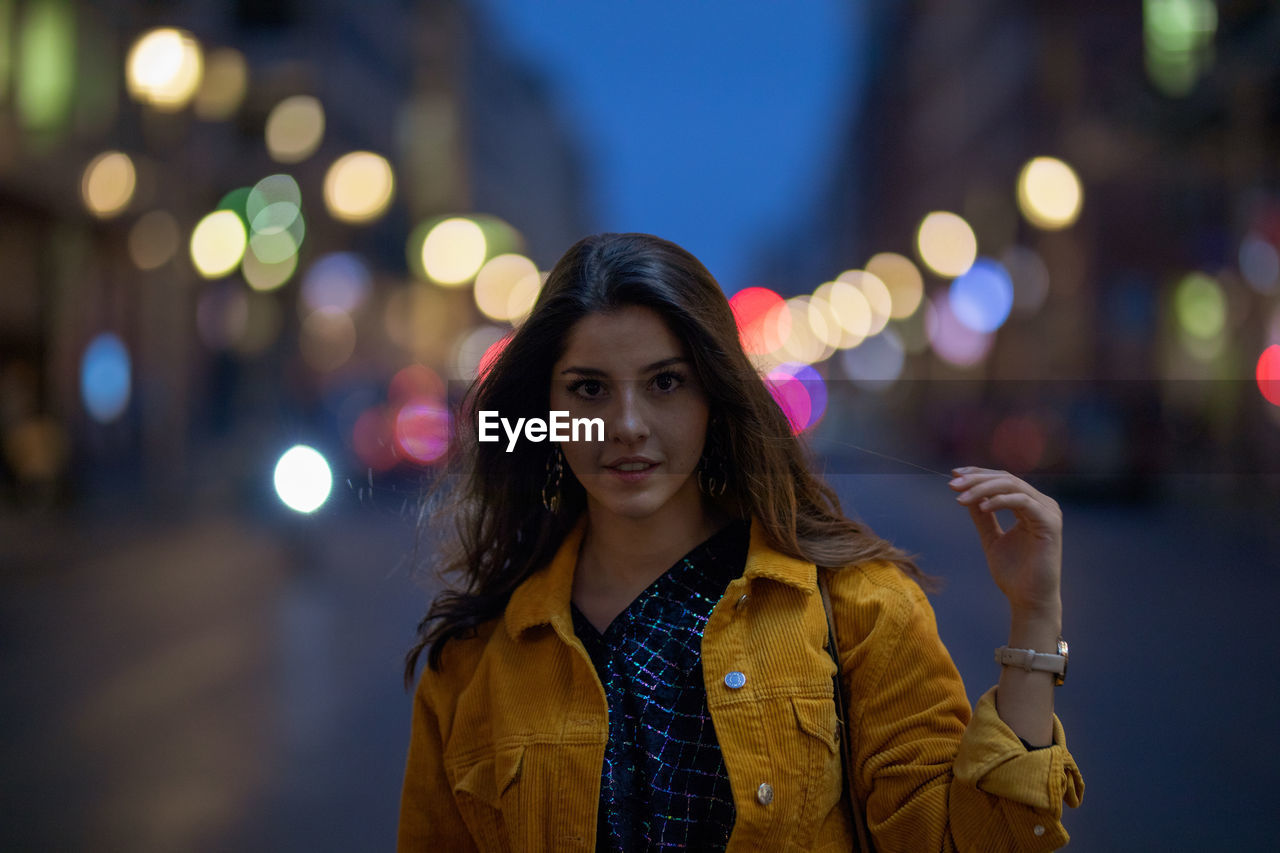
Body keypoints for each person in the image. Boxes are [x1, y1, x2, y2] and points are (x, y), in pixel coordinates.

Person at [398, 233, 1084, 852]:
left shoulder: (857, 607)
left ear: (713, 398)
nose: (626, 424)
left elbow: (965, 844)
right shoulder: (474, 659)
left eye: (665, 383)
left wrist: (1034, 614)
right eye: (588, 389)